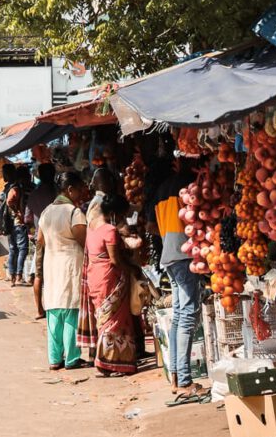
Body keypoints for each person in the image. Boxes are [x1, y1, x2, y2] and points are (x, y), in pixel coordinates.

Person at [150, 158, 203, 399]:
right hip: (184, 256)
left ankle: (176, 377)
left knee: (180, 316)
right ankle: (184, 379)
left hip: (169, 256)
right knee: (187, 315)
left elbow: (152, 226)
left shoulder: (161, 190)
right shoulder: (186, 185)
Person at [78, 189, 137, 376]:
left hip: (94, 277)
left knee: (103, 319)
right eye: (121, 215)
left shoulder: (92, 226)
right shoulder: (109, 230)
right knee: (114, 321)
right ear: (113, 213)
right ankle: (113, 362)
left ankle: (104, 361)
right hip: (109, 278)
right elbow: (115, 260)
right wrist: (132, 270)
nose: (121, 219)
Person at [37, 171, 87, 370]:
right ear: (70, 190)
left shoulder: (46, 212)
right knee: (71, 309)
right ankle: (72, 358)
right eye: (79, 189)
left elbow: (40, 240)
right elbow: (84, 241)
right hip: (70, 264)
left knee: (54, 310)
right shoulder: (74, 212)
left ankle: (54, 358)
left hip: (51, 264)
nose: (82, 193)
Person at [26, 162, 58, 315]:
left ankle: (39, 309)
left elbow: (27, 218)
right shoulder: (58, 192)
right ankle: (56, 305)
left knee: (39, 274)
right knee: (57, 272)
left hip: (41, 237)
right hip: (59, 237)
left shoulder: (34, 194)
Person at [6, 168, 31, 287]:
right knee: (22, 249)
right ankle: (18, 276)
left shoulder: (14, 187)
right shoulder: (17, 189)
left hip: (14, 224)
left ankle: (12, 276)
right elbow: (9, 201)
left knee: (14, 249)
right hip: (18, 223)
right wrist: (17, 212)